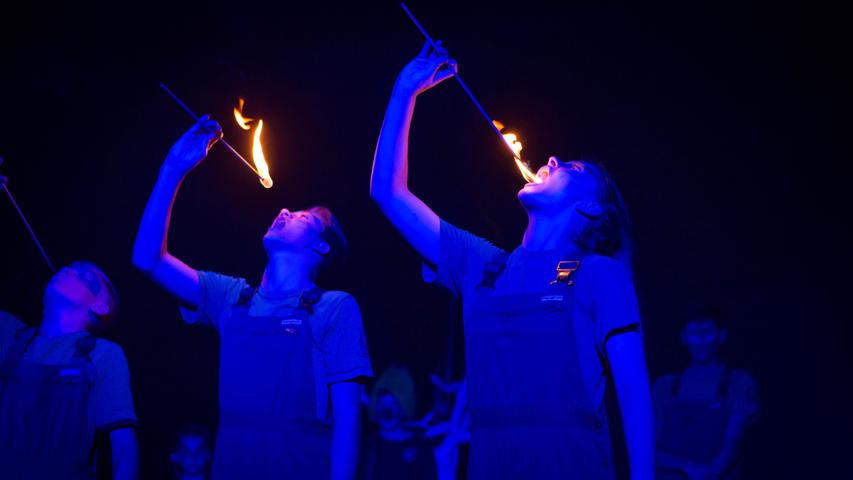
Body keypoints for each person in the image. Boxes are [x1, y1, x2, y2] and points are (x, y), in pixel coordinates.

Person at [370, 42, 654, 479]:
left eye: (573, 170)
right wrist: (404, 93)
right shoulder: (482, 265)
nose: (553, 159)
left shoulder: (600, 274)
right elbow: (388, 193)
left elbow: (633, 394)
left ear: (592, 210)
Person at [133, 117, 373, 479]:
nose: (284, 211)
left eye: (303, 216)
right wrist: (173, 167)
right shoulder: (230, 297)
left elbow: (348, 418)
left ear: (321, 246)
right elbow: (148, 258)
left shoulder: (333, 307)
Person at [0, 261, 139, 480]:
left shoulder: (102, 355)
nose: (68, 271)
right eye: (69, 268)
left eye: (84, 278)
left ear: (100, 307)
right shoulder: (6, 333)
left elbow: (123, 448)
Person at [653, 306, 760, 479]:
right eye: (693, 333)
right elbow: (650, 447)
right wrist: (687, 467)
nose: (701, 340)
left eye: (707, 332)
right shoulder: (665, 386)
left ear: (721, 335)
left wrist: (709, 474)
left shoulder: (738, 382)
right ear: (683, 337)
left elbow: (733, 443)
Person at [359, 365, 437, 480]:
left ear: (405, 405)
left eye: (395, 404)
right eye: (382, 405)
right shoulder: (367, 446)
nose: (387, 412)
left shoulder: (420, 447)